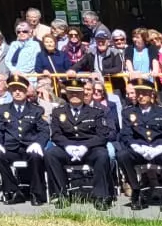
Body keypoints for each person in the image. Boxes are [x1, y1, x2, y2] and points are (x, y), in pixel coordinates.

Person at [43, 79, 114, 208]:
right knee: (51, 153)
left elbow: (102, 136)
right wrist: (68, 146)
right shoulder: (58, 112)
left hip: (89, 149)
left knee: (102, 155)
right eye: (71, 93)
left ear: (83, 94)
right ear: (66, 94)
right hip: (67, 149)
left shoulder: (96, 112)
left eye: (77, 93)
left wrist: (84, 146)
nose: (74, 95)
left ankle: (101, 197)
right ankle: (61, 195)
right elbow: (56, 135)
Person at [117, 79, 162, 211]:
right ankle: (136, 191)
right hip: (139, 150)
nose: (140, 96)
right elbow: (126, 135)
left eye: (144, 93)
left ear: (152, 94)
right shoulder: (128, 112)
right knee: (122, 155)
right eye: (138, 93)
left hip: (158, 149)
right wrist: (136, 147)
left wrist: (159, 148)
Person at [0, 76, 50, 204]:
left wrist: (38, 144)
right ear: (10, 91)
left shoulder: (36, 110)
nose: (17, 92)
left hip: (29, 147)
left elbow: (44, 130)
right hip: (11, 149)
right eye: (14, 89)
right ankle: (14, 191)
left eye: (20, 89)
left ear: (26, 90)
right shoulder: (3, 109)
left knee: (36, 157)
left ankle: (36, 194)